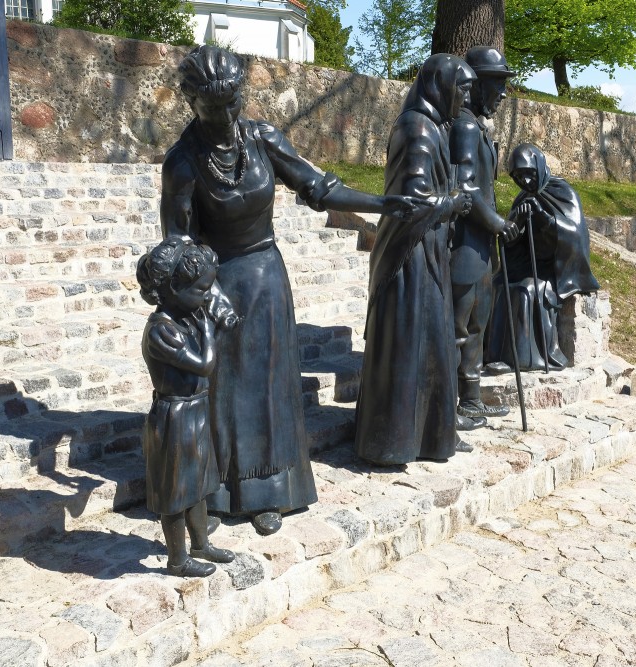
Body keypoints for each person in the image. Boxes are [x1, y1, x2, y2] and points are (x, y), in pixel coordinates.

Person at [161, 45, 426, 535]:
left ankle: (270, 491)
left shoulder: (261, 139)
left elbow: (318, 188)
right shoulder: (182, 163)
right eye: (212, 108)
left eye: (233, 103)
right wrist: (204, 294)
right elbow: (177, 240)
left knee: (267, 385)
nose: (225, 116)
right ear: (192, 103)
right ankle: (216, 490)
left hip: (264, 277)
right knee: (223, 388)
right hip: (214, 279)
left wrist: (383, 202)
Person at [354, 53, 477, 466]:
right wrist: (454, 201)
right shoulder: (417, 129)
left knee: (434, 346)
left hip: (428, 251)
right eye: (462, 88)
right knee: (411, 347)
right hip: (410, 258)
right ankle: (394, 441)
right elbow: (412, 201)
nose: (466, 98)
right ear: (442, 86)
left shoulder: (433, 126)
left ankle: (432, 436)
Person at [137, 238, 236, 577]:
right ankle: (177, 559)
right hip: (174, 416)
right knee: (177, 492)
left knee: (199, 485)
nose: (207, 297)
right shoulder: (162, 331)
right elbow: (204, 364)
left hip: (195, 410)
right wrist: (210, 332)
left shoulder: (187, 316)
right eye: (200, 291)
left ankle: (200, 544)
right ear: (173, 289)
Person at [449, 46, 521, 420]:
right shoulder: (463, 126)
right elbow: (465, 189)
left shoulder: (475, 125)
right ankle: (449, 405)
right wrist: (497, 223)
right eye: (497, 84)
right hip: (464, 242)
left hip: (481, 246)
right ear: (476, 85)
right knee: (459, 325)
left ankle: (472, 399)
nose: (503, 93)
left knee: (477, 323)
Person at [484, 143, 600, 372]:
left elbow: (575, 236)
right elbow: (511, 246)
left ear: (540, 166)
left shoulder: (563, 192)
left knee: (527, 290)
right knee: (498, 284)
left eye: (529, 174)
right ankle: (493, 354)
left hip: (558, 269)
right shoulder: (522, 199)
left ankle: (524, 359)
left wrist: (543, 218)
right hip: (530, 264)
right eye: (518, 177)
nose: (525, 182)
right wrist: (516, 224)